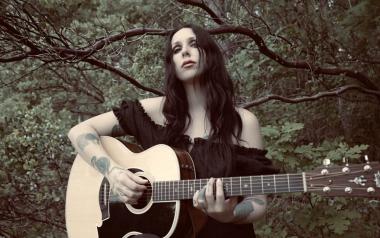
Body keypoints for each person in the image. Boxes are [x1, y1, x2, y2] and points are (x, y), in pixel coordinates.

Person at [67, 24, 278, 238]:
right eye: (177, 49)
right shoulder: (151, 113)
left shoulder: (243, 122)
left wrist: (230, 214)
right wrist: (113, 173)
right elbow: (80, 131)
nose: (185, 51)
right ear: (172, 64)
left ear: (210, 55)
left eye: (194, 44)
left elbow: (257, 201)